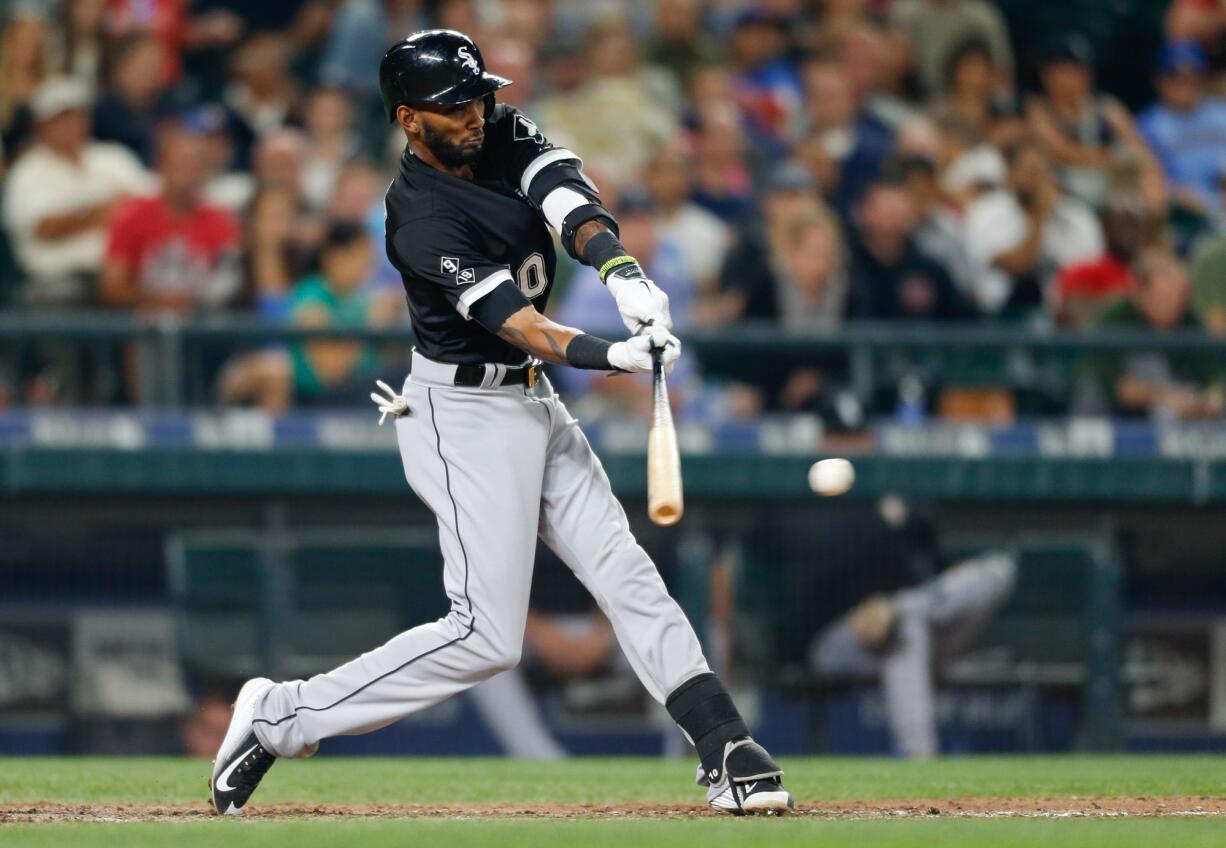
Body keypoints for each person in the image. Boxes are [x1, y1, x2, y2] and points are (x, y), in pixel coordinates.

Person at [208, 30, 794, 818]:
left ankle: (724, 743)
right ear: (410, 121)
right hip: (461, 413)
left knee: (624, 570)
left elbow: (565, 198)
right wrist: (617, 354)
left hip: (532, 400)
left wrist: (622, 273)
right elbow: (521, 326)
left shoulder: (497, 129)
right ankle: (282, 716)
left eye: (479, 94)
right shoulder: (415, 217)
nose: (476, 112)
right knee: (486, 636)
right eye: (455, 105)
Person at [3, 76, 152, 307]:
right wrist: (102, 212)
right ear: (41, 125)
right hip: (59, 281)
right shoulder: (27, 172)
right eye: (60, 119)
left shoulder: (114, 157)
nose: (70, 125)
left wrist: (106, 215)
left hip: (125, 274)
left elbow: (152, 205)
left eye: (76, 116)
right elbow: (44, 228)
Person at [100, 126, 241, 315]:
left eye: (195, 165)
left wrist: (194, 303)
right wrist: (159, 300)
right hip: (142, 324)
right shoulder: (132, 216)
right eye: (180, 163)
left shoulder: (222, 221)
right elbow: (112, 287)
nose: (187, 174)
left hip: (204, 326)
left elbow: (231, 283)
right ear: (162, 166)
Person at [962, 138, 1104, 319]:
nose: (1037, 180)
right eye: (1029, 171)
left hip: (1066, 321)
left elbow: (1091, 278)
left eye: (1042, 171)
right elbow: (1018, 266)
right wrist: (1041, 216)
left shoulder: (1078, 217)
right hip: (999, 318)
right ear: (1010, 173)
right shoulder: (986, 212)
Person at [1085, 247, 1225, 420]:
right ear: (1139, 293)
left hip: (1178, 413)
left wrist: (1212, 397)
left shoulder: (1188, 318)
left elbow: (1215, 372)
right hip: (1118, 415)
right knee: (1147, 366)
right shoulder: (1114, 318)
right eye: (1164, 296)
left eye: (1179, 296)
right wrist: (1164, 395)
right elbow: (1108, 382)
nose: (1175, 304)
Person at [1138, 41, 1226, 220]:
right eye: (1175, 78)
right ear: (1159, 80)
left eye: (1192, 77)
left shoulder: (1221, 113)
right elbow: (1146, 175)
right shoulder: (1147, 125)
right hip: (1186, 214)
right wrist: (1174, 193)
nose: (1185, 85)